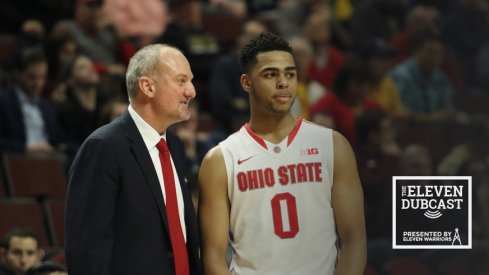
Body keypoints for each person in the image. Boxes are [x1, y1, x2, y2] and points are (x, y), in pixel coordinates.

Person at [198, 32, 366, 274]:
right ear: (246, 83)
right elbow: (213, 258)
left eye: (290, 73)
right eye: (270, 74)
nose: (283, 82)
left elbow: (354, 240)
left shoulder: (332, 145)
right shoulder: (221, 159)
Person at [65, 44, 201, 274]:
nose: (191, 91)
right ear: (147, 86)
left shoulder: (174, 146)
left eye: (191, 81)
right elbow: (86, 249)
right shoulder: (104, 147)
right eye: (181, 81)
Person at [0, 47, 68, 155]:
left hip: (49, 161)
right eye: (32, 77)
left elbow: (60, 140)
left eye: (42, 77)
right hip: (18, 161)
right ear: (18, 73)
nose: (38, 84)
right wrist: (25, 149)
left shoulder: (47, 106)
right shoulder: (4, 101)